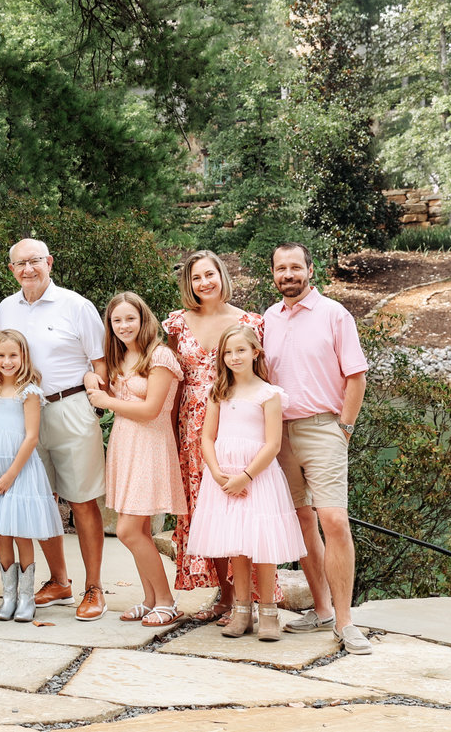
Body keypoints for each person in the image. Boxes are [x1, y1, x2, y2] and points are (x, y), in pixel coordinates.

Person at [265, 242, 372, 654]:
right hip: (280, 435)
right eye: (280, 268)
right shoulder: (269, 320)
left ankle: (346, 623)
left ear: (310, 270)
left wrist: (343, 429)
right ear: (273, 274)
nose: (288, 274)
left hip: (324, 429)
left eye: (295, 267)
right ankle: (323, 610)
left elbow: (356, 377)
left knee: (334, 520)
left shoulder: (334, 315)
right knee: (301, 521)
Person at [0, 239, 109, 622]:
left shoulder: (76, 306)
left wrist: (92, 402)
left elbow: (100, 363)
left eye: (34, 262)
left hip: (69, 407)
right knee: (37, 499)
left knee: (82, 500)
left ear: (49, 263)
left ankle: (94, 587)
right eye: (20, 263)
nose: (28, 269)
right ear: (11, 269)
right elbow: (0, 364)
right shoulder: (5, 309)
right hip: (21, 415)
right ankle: (59, 581)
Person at [162, 249, 269, 623]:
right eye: (196, 278)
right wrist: (169, 431)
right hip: (193, 427)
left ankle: (253, 599)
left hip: (238, 424)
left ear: (222, 275)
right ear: (188, 284)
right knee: (208, 510)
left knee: (242, 508)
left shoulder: (249, 322)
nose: (204, 283)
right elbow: (171, 380)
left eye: (210, 275)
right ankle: (226, 598)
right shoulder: (177, 324)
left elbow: (263, 378)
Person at [185, 325, 306, 642]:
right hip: (224, 479)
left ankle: (268, 612)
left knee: (262, 547)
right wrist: (216, 472)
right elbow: (207, 438)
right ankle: (241, 611)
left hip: (257, 478)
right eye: (227, 352)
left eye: (240, 350)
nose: (234, 357)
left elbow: (272, 445)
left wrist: (246, 476)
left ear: (255, 352)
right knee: (237, 546)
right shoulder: (219, 392)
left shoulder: (269, 394)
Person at [86, 292, 188, 628]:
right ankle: (150, 599)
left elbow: (151, 410)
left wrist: (105, 400)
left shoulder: (159, 356)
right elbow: (101, 387)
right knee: (139, 529)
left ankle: (168, 602)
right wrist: (92, 381)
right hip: (124, 445)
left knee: (128, 531)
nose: (124, 325)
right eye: (117, 320)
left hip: (151, 445)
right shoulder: (121, 357)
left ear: (144, 320)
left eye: (131, 318)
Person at [0, 330, 63, 623]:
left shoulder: (29, 392)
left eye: (13, 356)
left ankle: (26, 598)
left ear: (23, 357)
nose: (7, 361)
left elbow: (31, 438)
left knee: (20, 532)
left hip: (20, 471)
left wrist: (11, 475)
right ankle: (8, 596)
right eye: (1, 356)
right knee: (2, 533)